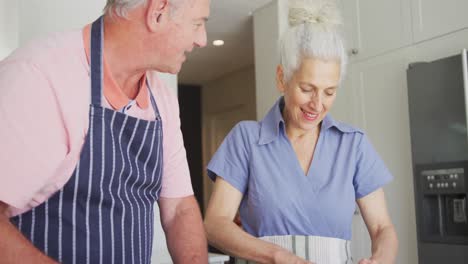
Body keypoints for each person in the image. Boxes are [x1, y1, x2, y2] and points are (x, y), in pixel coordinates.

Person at [0, 0, 210, 263]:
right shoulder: (39, 75)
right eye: (198, 24)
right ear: (157, 13)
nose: (202, 40)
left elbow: (179, 209)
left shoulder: (162, 100)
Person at [204, 1, 398, 263]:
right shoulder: (247, 140)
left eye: (329, 92)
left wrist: (380, 260)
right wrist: (276, 256)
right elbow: (215, 224)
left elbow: (382, 228)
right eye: (307, 89)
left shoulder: (353, 145)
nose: (317, 105)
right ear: (282, 78)